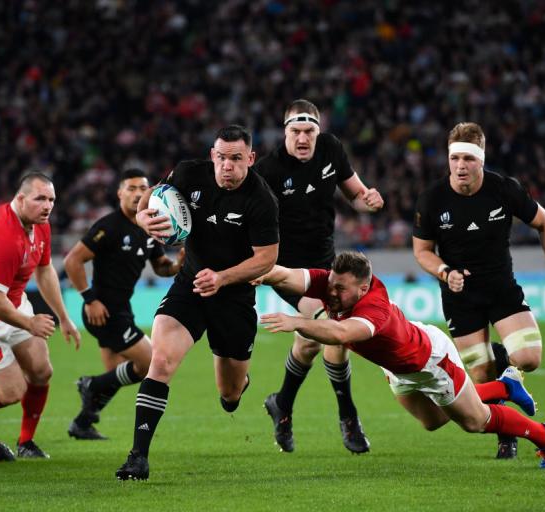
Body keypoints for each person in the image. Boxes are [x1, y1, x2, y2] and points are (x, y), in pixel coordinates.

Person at [258, 251, 545, 469]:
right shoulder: (331, 283)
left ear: (363, 288)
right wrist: (250, 275)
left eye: (341, 288)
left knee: (475, 421)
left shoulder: (373, 308)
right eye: (332, 284)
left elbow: (340, 333)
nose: (332, 292)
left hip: (431, 362)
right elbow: (283, 274)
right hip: (398, 367)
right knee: (433, 421)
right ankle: (503, 387)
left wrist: (297, 322)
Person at [114, 125, 279, 480]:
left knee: (229, 394)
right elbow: (151, 198)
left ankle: (239, 386)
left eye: (236, 159)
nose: (227, 166)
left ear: (250, 159)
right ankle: (138, 457)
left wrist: (222, 277)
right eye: (221, 158)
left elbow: (266, 258)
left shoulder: (261, 199)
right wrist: (144, 218)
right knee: (161, 360)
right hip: (189, 286)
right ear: (212, 156)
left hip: (233, 298)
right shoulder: (189, 173)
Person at [412, 122, 545, 459]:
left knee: (529, 357)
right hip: (460, 297)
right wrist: (444, 271)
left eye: (468, 158)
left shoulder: (504, 189)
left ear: (481, 160)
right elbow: (421, 251)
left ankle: (508, 375)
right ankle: (507, 434)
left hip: (501, 289)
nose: (460, 166)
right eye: (454, 158)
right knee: (481, 375)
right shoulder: (432, 198)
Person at [253, 99, 384, 453]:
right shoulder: (268, 169)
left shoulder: (332, 150)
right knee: (332, 330)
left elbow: (354, 193)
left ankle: (282, 404)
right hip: (288, 269)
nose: (303, 137)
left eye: (309, 131)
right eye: (295, 131)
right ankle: (349, 416)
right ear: (284, 133)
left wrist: (367, 199)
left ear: (318, 131)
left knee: (313, 340)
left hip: (328, 263)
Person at [0, 171, 81, 458]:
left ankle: (26, 443)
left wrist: (64, 316)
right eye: (40, 199)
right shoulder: (5, 236)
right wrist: (30, 322)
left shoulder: (39, 224)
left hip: (15, 304)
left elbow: (45, 270)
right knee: (11, 391)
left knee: (41, 371)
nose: (47, 206)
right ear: (20, 199)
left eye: (51, 199)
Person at [65, 169, 185, 440]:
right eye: (130, 189)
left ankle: (82, 423)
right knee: (150, 363)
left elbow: (161, 267)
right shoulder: (109, 225)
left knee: (115, 376)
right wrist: (89, 299)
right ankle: (90, 384)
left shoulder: (150, 227)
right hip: (103, 311)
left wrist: (178, 265)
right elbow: (73, 260)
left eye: (142, 188)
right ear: (119, 193)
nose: (137, 193)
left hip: (122, 309)